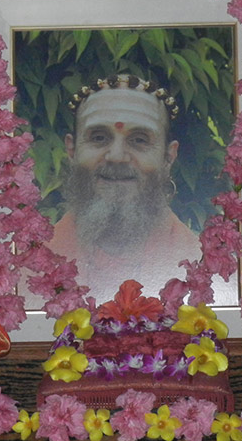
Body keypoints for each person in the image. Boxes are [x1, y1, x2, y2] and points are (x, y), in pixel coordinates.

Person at [41, 74, 209, 304]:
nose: (117, 157)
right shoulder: (33, 267)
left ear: (169, 156)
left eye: (139, 140)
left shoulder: (199, 265)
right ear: (71, 150)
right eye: (99, 137)